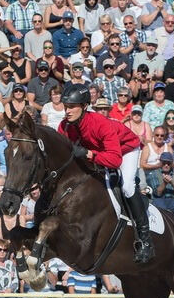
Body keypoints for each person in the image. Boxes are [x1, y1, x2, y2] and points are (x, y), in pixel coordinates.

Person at [58, 87, 152, 262]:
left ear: (85, 106)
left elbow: (115, 160)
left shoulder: (100, 123)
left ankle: (145, 240)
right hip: (102, 152)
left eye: (72, 106)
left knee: (127, 187)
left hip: (125, 150)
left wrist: (89, 154)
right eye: (65, 106)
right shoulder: (64, 125)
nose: (67, 111)